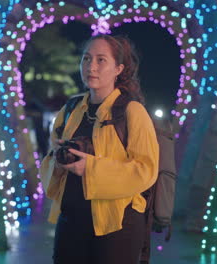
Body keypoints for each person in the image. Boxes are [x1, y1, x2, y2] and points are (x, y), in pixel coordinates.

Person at [40, 34, 159, 264]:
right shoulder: (70, 109)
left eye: (101, 60)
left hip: (117, 227)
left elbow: (146, 170)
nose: (91, 67)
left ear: (118, 69)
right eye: (86, 59)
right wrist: (58, 159)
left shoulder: (132, 112)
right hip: (71, 221)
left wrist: (90, 168)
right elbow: (50, 160)